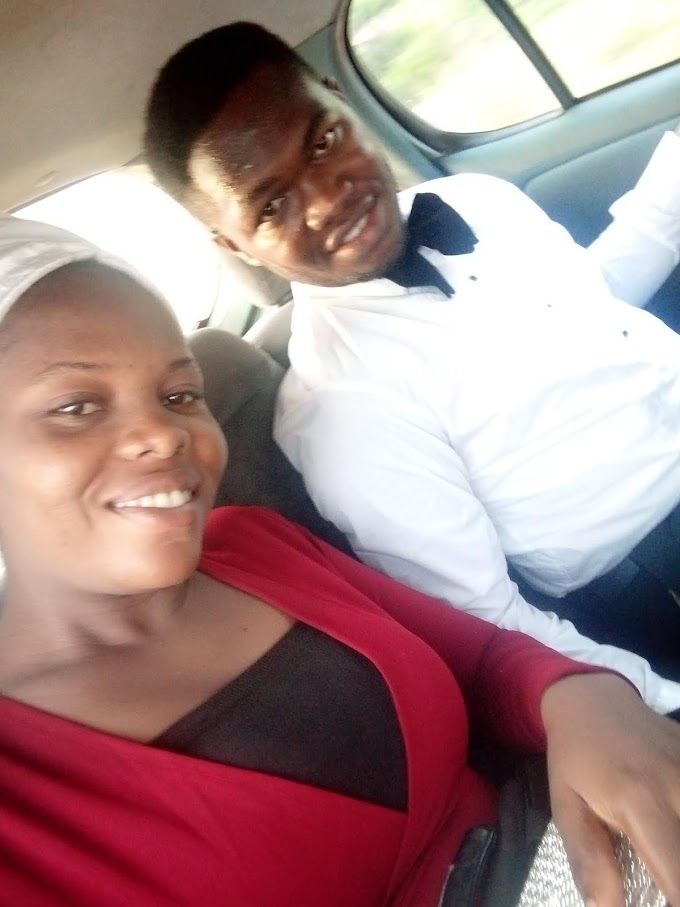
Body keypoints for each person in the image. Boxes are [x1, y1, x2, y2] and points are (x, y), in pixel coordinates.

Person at [2, 216, 680, 907]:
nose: (161, 433)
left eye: (180, 396)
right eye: (76, 406)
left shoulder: (255, 545)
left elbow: (481, 657)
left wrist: (577, 697)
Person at [143, 21, 680, 714]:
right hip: (653, 571)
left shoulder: (477, 199)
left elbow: (591, 301)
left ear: (340, 99)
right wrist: (657, 702)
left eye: (323, 141)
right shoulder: (342, 412)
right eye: (273, 205)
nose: (328, 198)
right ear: (234, 244)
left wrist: (666, 195)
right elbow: (489, 622)